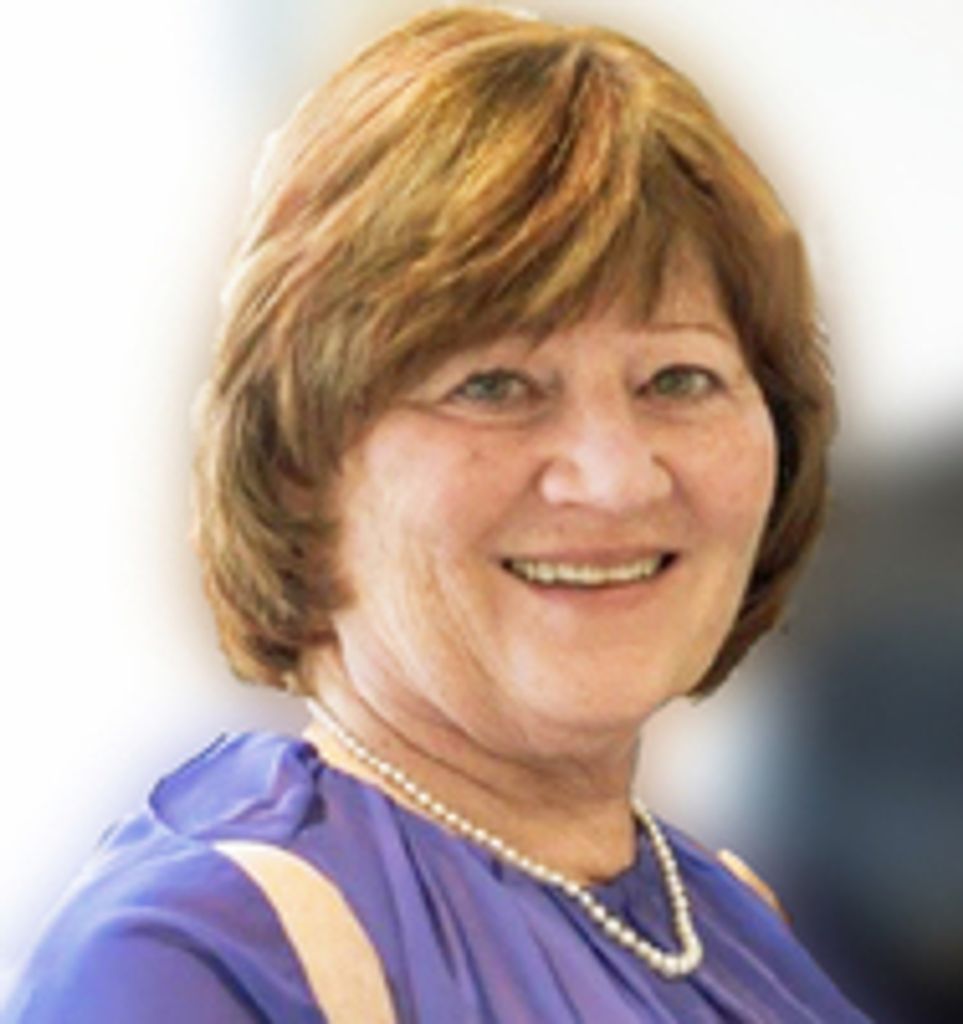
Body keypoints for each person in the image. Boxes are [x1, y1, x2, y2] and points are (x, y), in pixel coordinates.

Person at [4, 5, 869, 1021]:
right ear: (300, 461)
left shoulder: (727, 919)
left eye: (678, 378)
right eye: (494, 386)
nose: (614, 479)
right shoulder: (198, 959)